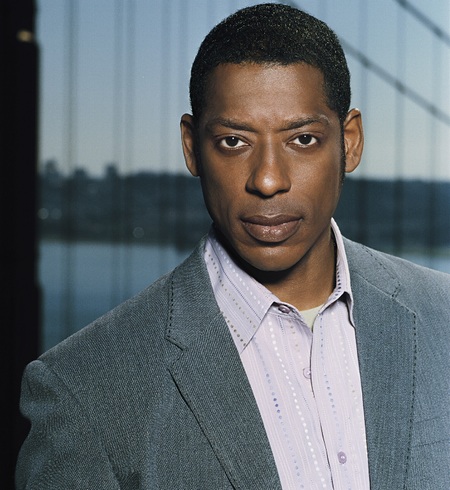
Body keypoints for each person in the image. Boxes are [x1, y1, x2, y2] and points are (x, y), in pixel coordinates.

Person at [16, 3, 450, 489]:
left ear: (350, 141)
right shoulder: (83, 389)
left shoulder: (444, 316)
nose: (267, 179)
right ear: (191, 147)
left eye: (303, 139)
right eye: (233, 142)